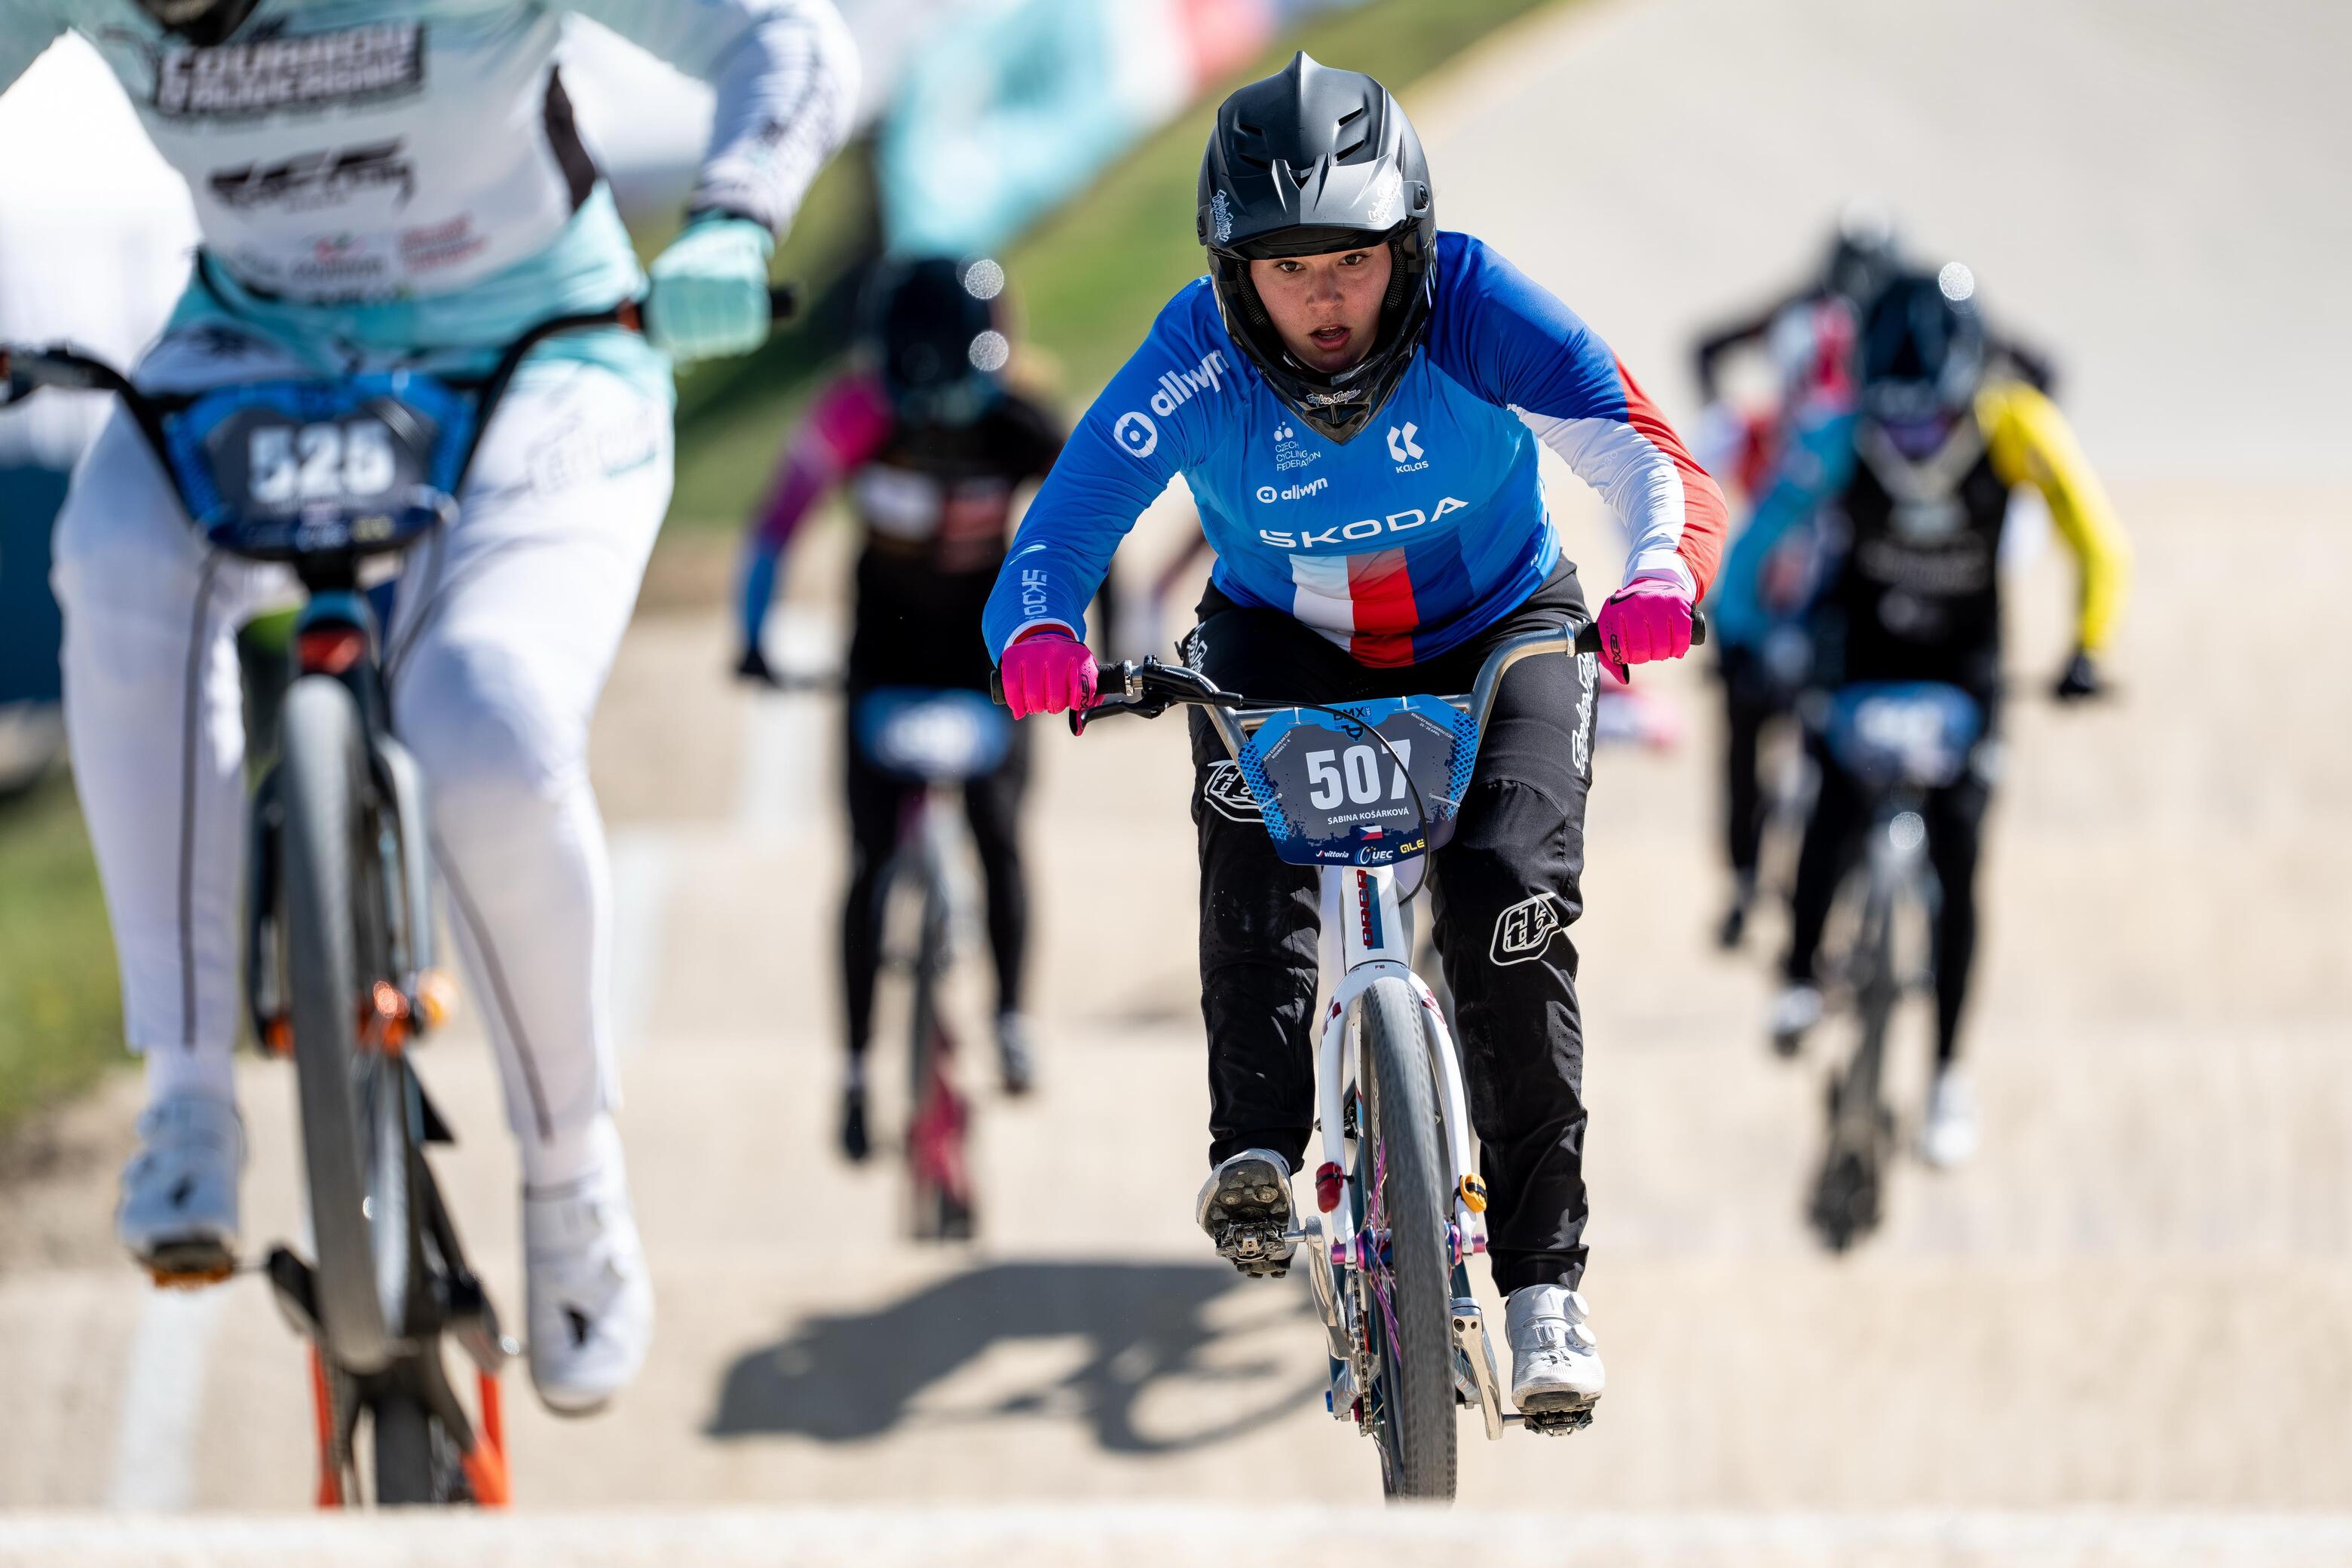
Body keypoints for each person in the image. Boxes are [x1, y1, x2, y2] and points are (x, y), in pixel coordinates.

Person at [0, 0, 856, 1413]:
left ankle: (573, 1176)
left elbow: (785, 36)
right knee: (108, 563)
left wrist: (735, 216)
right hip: (258, 339)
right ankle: (186, 1092)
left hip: (538, 343)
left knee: (489, 716)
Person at [982, 54, 1724, 1423]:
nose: (1325, 297)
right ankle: (1255, 1147)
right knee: (1245, 842)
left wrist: (1661, 578)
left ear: (1412, 246)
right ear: (1229, 271)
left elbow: (1644, 451)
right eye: (1286, 265)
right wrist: (1037, 636)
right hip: (1282, 642)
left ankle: (1544, 1288)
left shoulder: (1479, 305)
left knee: (1506, 898)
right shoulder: (1192, 356)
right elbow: (1061, 532)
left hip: (1501, 628)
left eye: (1354, 259)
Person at [1755, 265, 2130, 1166]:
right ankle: (1801, 971)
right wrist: (1742, 631)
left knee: (1962, 859)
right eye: (1897, 415)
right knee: (1832, 792)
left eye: (1933, 415)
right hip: (1863, 651)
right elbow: (1765, 532)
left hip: (1967, 667)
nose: (1915, 437)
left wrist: (2086, 645)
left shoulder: (2016, 429)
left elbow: (2095, 537)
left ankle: (1949, 1074)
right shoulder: (1840, 435)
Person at [734, 254, 1063, 1154]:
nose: (944, 421)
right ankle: (851, 1067)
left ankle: (1009, 1018)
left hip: (991, 663)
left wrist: (1089, 643)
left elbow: (1089, 524)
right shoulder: (851, 418)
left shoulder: (1029, 422)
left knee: (1000, 834)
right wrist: (753, 636)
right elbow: (774, 526)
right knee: (869, 862)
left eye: (964, 395)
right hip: (880, 659)